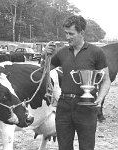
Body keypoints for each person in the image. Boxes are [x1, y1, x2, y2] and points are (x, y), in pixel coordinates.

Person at [44, 15, 111, 150]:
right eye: (66, 33)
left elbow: (106, 79)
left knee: (87, 147)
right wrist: (46, 55)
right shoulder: (62, 52)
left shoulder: (97, 52)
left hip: (87, 106)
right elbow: (44, 70)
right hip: (64, 106)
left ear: (81, 33)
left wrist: (100, 97)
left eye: (71, 34)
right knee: (64, 147)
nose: (67, 37)